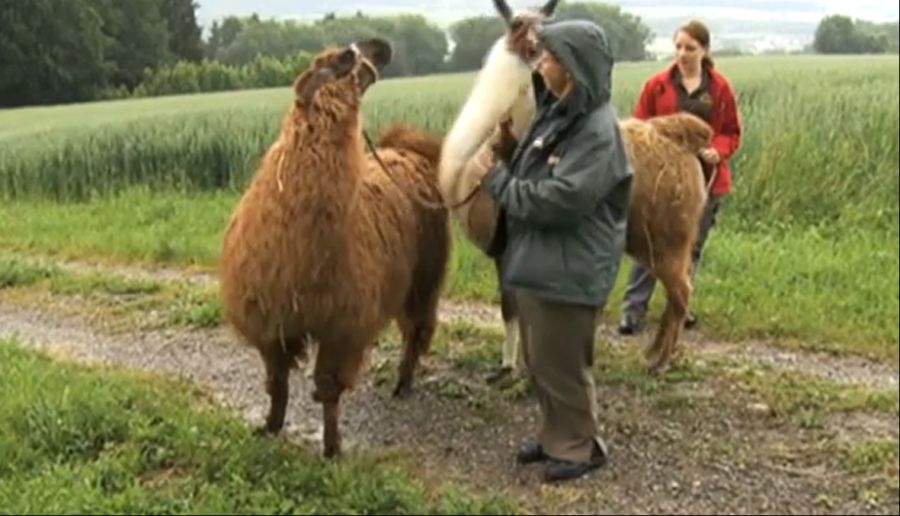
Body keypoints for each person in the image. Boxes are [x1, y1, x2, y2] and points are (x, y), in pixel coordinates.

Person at [475, 19, 633, 483]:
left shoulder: (597, 131)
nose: (541, 64)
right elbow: (543, 141)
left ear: (573, 67)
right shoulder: (564, 111)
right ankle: (553, 437)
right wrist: (512, 150)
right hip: (544, 261)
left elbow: (560, 200)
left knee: (563, 364)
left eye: (549, 58)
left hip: (569, 266)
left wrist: (497, 180)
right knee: (541, 360)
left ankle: (582, 447)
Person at [617, 19, 743, 336]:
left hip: (707, 179)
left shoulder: (718, 88)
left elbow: (731, 131)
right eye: (678, 47)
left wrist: (719, 150)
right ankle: (633, 311)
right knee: (650, 244)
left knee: (691, 246)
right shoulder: (657, 85)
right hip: (662, 183)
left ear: (704, 50)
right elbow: (638, 127)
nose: (682, 54)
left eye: (690, 48)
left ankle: (679, 307)